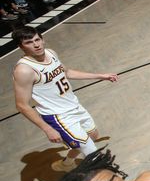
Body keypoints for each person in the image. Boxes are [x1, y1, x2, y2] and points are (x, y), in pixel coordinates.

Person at [12, 26, 118, 171]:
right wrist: (47, 129)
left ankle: (66, 164)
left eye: (37, 40)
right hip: (58, 116)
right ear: (21, 47)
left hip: (74, 106)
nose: (36, 45)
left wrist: (100, 76)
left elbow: (67, 72)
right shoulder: (24, 70)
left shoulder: (51, 53)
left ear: (43, 40)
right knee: (92, 153)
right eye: (29, 42)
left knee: (93, 135)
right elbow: (22, 105)